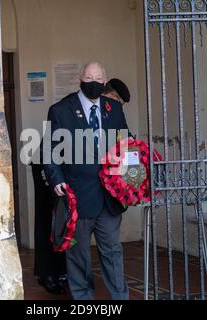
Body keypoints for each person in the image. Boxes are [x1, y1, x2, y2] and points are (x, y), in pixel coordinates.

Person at [42, 62, 130, 300]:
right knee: (78, 255)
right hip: (77, 197)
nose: (93, 81)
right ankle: (83, 300)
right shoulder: (60, 110)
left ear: (104, 81)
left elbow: (125, 141)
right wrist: (56, 179)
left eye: (98, 77)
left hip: (110, 197)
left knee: (112, 252)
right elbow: (49, 151)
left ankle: (120, 298)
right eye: (89, 76)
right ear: (80, 78)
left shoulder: (114, 108)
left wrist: (132, 168)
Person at [31, 149, 67, 295]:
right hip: (47, 165)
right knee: (47, 220)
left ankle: (62, 270)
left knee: (66, 223)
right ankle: (47, 272)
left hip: (65, 163)